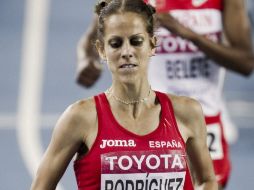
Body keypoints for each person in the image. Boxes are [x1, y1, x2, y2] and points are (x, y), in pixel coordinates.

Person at [30, 0, 218, 189]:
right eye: (116, 43)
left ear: (152, 44)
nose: (127, 52)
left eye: (136, 41)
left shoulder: (186, 112)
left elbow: (206, 180)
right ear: (102, 50)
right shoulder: (80, 117)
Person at [76, 0, 254, 189]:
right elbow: (91, 38)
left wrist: (189, 34)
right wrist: (86, 62)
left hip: (205, 118)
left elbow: (245, 62)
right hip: (154, 118)